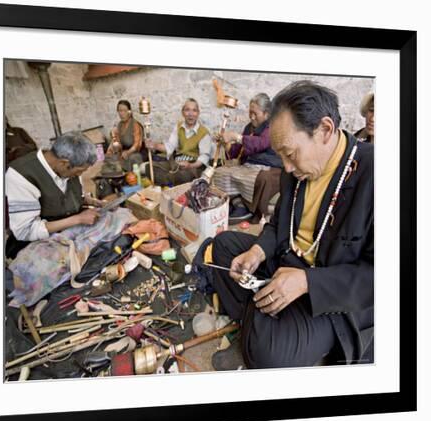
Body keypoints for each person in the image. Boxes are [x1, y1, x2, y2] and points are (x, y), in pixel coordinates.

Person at [210, 81, 374, 370]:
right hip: (287, 260)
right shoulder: (294, 170)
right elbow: (278, 224)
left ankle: (260, 321)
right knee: (221, 247)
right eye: (281, 155)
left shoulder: (379, 172)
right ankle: (266, 314)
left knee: (267, 354)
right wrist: (258, 252)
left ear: (325, 130)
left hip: (331, 294)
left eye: (290, 153)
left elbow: (385, 276)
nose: (285, 167)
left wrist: (307, 282)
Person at [5, 131, 102, 260]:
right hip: (34, 246)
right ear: (63, 163)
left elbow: (65, 197)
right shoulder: (20, 176)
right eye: (79, 171)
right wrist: (78, 219)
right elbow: (25, 231)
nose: (79, 175)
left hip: (67, 234)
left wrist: (91, 201)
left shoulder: (67, 168)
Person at [212, 93, 283, 224]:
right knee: (221, 172)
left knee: (258, 178)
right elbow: (239, 150)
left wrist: (236, 137)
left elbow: (261, 143)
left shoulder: (273, 127)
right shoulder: (249, 128)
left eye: (255, 113)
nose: (251, 117)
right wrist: (225, 143)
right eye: (250, 112)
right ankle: (237, 203)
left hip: (269, 167)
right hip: (248, 166)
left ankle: (248, 208)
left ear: (267, 114)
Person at [145, 98, 213, 186]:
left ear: (198, 113)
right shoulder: (178, 127)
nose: (191, 114)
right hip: (176, 163)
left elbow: (204, 157)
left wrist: (190, 165)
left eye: (194, 110)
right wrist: (154, 145)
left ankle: (167, 182)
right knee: (149, 167)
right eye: (187, 110)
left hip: (193, 167)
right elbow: (170, 146)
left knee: (182, 176)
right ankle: (169, 182)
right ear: (182, 112)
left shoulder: (203, 133)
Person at [106, 100, 146, 172]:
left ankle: (129, 176)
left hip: (137, 153)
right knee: (110, 158)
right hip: (125, 152)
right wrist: (114, 148)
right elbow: (119, 143)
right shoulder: (119, 125)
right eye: (120, 111)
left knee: (131, 158)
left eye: (124, 111)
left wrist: (127, 152)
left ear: (129, 112)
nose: (121, 113)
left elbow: (137, 145)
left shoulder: (135, 124)